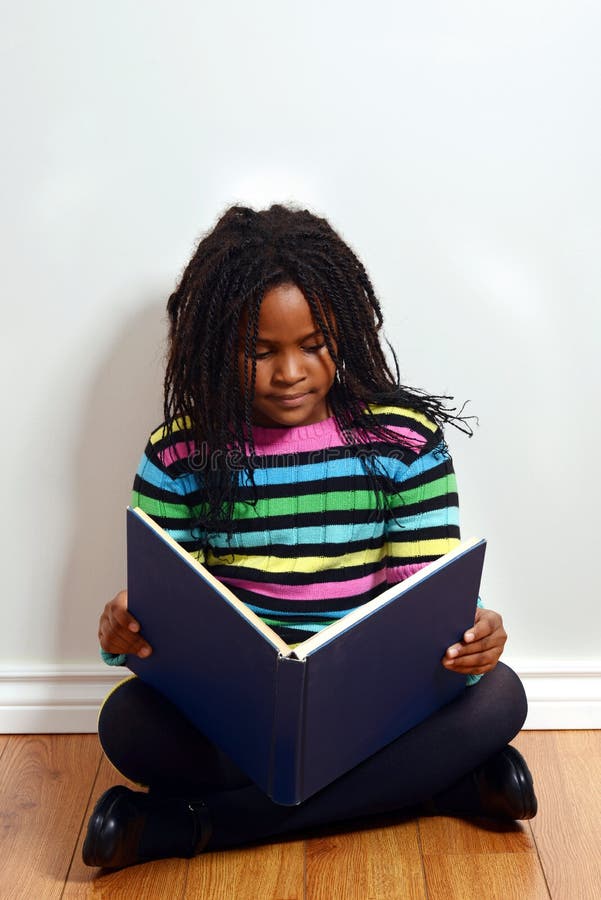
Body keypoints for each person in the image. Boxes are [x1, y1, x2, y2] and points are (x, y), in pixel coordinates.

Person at [84, 204, 537, 869]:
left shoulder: (401, 440)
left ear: (345, 330)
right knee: (127, 724)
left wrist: (470, 636)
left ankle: (184, 828)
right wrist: (121, 634)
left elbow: (421, 601)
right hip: (240, 718)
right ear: (213, 346)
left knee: (500, 696)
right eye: (258, 351)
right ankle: (444, 787)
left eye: (312, 343)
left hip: (372, 710)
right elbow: (166, 620)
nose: (290, 371)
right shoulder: (180, 455)